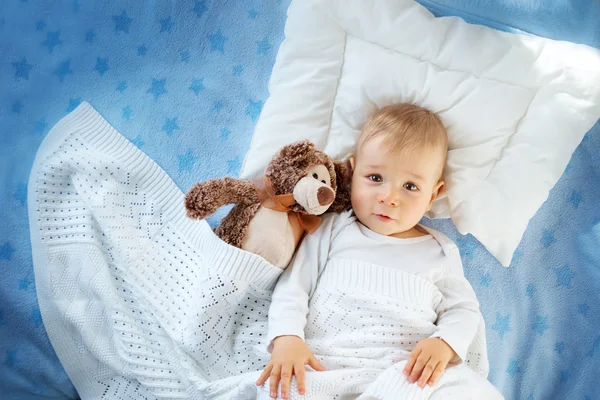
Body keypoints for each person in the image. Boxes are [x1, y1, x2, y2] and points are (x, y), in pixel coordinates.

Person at [255, 103, 503, 399]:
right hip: (328, 368)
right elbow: (295, 286)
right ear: (352, 171)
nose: (389, 197)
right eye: (375, 178)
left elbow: (463, 309)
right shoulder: (333, 230)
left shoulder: (439, 251)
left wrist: (445, 343)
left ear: (433, 195)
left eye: (410, 186)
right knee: (287, 387)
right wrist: (287, 338)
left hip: (405, 378)